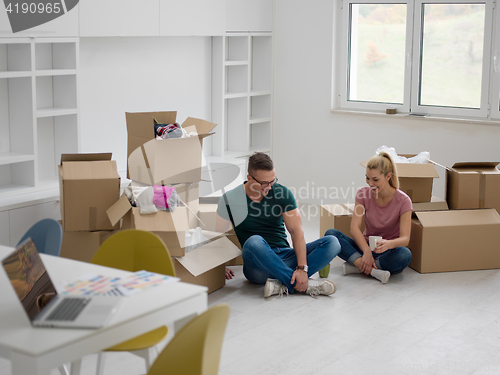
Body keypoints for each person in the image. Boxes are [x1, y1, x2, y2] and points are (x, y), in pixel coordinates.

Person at [216, 152, 340, 298]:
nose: (268, 187)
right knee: (254, 241)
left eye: (272, 181)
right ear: (249, 178)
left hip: (285, 256)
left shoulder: (282, 193)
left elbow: (296, 232)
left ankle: (283, 283)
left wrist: (302, 268)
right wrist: (218, 267)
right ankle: (303, 285)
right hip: (257, 266)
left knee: (333, 242)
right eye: (263, 183)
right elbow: (219, 236)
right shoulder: (229, 199)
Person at [325, 151, 412, 284]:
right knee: (331, 235)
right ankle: (373, 270)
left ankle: (357, 266)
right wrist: (366, 251)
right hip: (364, 247)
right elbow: (354, 228)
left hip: (387, 251)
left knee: (405, 255)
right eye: (367, 178)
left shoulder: (404, 201)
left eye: (375, 179)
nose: (370, 184)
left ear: (388, 176)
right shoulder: (362, 194)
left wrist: (389, 244)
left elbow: (405, 239)